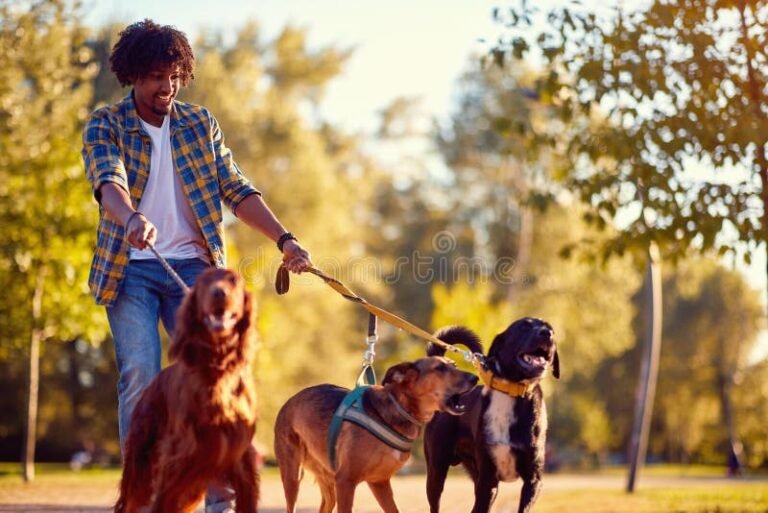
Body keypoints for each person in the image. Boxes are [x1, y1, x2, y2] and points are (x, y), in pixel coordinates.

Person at [81, 19, 311, 512]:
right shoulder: (107, 123)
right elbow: (107, 180)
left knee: (214, 378)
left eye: (175, 75)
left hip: (193, 272)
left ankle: (219, 499)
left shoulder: (198, 124)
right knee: (141, 374)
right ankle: (139, 497)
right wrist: (130, 217)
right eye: (155, 77)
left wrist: (284, 239)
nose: (166, 87)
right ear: (132, 77)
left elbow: (236, 188)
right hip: (132, 269)